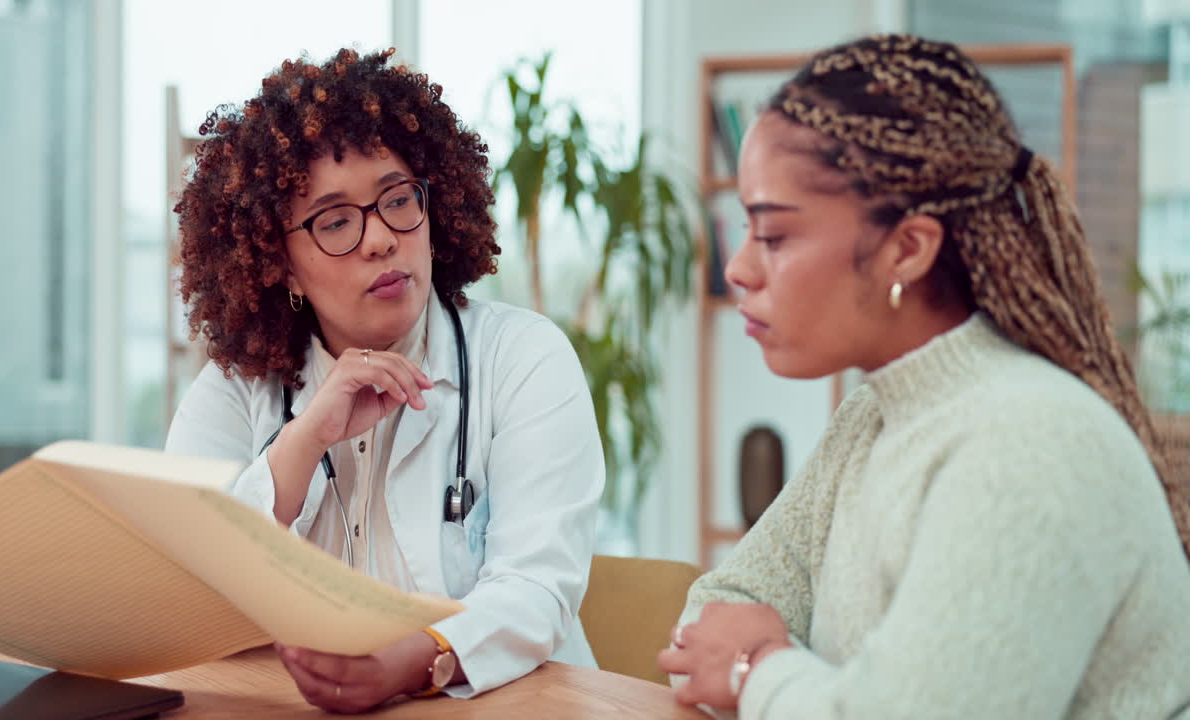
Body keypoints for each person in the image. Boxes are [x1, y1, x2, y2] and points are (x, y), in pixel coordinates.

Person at [658, 34, 1190, 719]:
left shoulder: (1030, 444)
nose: (737, 269)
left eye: (774, 235)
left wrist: (757, 669)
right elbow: (709, 621)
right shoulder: (873, 417)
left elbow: (739, 660)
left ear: (908, 248)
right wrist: (791, 682)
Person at [165, 48, 604, 713]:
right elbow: (186, 580)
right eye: (336, 221)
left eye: (398, 200)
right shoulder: (234, 393)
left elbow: (537, 587)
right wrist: (304, 440)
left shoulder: (522, 359)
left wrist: (410, 661)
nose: (380, 239)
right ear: (278, 262)